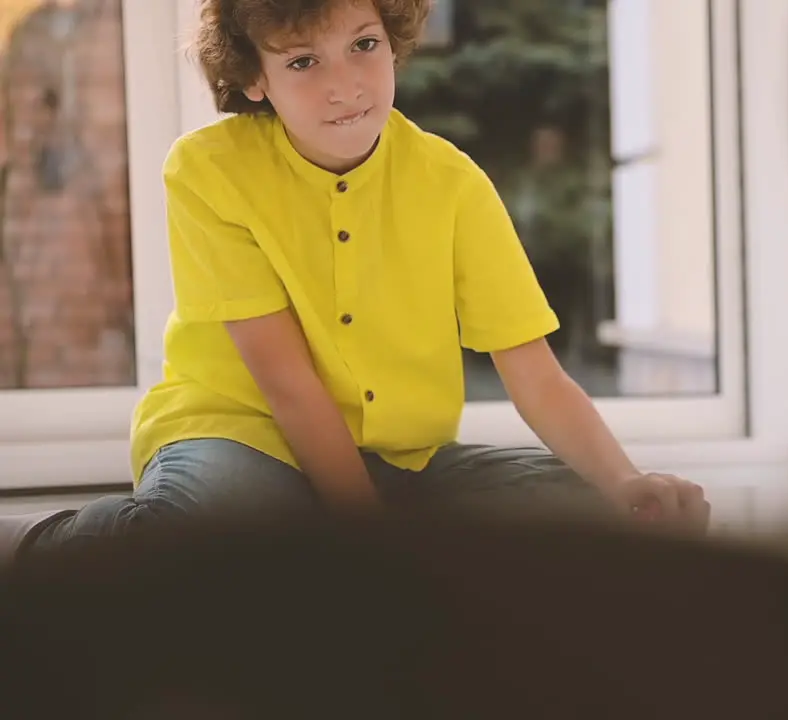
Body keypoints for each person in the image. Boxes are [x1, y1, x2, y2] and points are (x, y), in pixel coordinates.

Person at [1, 0, 709, 564]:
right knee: (211, 531)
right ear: (256, 78)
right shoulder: (207, 170)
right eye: (303, 60)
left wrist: (624, 483)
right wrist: (368, 543)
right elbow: (287, 384)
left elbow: (537, 376)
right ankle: (32, 544)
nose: (344, 85)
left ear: (393, 40)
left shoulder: (453, 184)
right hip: (246, 434)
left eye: (363, 45)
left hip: (405, 457)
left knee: (587, 514)